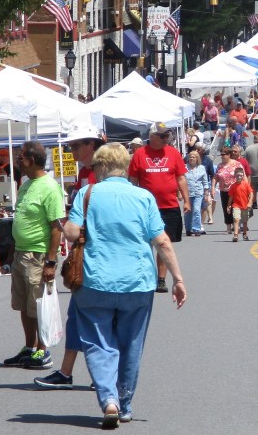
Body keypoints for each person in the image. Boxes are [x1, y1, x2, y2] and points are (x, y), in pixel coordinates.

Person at [63, 143, 187, 427]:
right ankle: (126, 402)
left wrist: (69, 226)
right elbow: (162, 241)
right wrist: (178, 279)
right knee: (131, 343)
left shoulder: (87, 194)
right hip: (137, 282)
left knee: (98, 342)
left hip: (95, 280)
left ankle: (109, 400)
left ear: (102, 167)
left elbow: (71, 233)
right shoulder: (143, 197)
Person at [33, 125, 104, 390]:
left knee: (99, 318)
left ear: (91, 145)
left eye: (76, 146)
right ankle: (66, 372)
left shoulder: (102, 172)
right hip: (83, 253)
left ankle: (104, 375)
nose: (71, 151)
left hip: (99, 254)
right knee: (76, 315)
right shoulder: (85, 172)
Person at [3, 141, 65, 370]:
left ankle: (43, 349)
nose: (17, 162)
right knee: (22, 304)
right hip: (21, 252)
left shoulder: (49, 187)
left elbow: (56, 227)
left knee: (39, 305)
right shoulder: (26, 185)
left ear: (31, 160)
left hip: (38, 255)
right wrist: (12, 252)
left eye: (20, 158)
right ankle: (29, 347)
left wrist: (50, 261)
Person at [128, 122, 191, 293]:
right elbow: (133, 181)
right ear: (152, 136)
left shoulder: (173, 153)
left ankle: (161, 279)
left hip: (169, 206)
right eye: (162, 136)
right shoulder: (139, 155)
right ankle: (144, 275)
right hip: (146, 208)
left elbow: (181, 179)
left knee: (164, 243)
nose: (166, 139)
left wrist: (186, 200)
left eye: (167, 136)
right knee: (144, 243)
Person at [212, 147, 244, 235]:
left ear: (229, 155)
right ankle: (228, 228)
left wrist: (245, 187)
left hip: (235, 190)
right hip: (224, 190)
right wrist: (213, 188)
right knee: (226, 209)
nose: (221, 156)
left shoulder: (236, 164)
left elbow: (243, 176)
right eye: (221, 154)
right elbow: (215, 177)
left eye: (223, 154)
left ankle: (236, 226)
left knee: (236, 208)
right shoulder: (220, 165)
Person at [184, 151, 209, 236]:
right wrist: (179, 192)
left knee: (197, 210)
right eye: (190, 157)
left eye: (193, 157)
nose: (191, 158)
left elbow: (205, 182)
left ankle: (196, 228)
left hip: (198, 192)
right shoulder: (184, 167)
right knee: (188, 212)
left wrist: (206, 194)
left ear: (197, 158)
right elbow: (181, 180)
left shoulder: (201, 168)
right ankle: (188, 228)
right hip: (187, 193)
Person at [227, 167, 254, 241]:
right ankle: (235, 235)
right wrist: (228, 206)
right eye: (238, 175)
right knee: (236, 219)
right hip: (236, 205)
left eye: (241, 176)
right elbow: (231, 197)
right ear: (235, 176)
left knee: (245, 221)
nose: (239, 177)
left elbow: (251, 193)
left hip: (245, 206)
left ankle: (244, 233)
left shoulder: (246, 184)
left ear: (243, 176)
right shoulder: (233, 186)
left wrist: (250, 202)